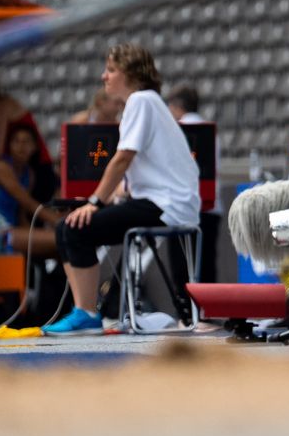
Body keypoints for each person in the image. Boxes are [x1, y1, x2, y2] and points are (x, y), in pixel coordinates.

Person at [45, 45, 200, 336]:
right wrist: (99, 201)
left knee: (75, 229)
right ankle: (84, 311)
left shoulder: (140, 100)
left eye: (111, 70)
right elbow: (134, 172)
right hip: (164, 203)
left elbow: (122, 158)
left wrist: (94, 202)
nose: (104, 76)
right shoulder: (149, 102)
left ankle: (87, 313)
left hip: (165, 206)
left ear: (130, 73)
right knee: (67, 227)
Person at [0, 120, 61, 262]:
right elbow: (28, 203)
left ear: (34, 147)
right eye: (16, 141)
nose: (21, 146)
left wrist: (35, 236)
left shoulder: (29, 174)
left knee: (61, 248)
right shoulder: (0, 168)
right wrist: (59, 222)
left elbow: (21, 214)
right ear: (9, 145)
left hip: (12, 230)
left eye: (26, 142)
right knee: (61, 239)